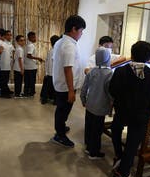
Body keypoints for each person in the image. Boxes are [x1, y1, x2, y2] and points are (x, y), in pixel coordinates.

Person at [109, 41, 150, 177]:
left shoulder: (120, 71)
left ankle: (119, 155)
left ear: (132, 54)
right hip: (140, 115)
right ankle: (122, 172)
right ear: (149, 57)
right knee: (133, 142)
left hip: (121, 111)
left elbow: (112, 90)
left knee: (115, 130)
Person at [50, 15, 86, 148]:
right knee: (63, 110)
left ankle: (60, 127)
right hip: (65, 86)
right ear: (73, 29)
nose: (81, 34)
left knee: (61, 109)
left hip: (61, 84)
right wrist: (71, 91)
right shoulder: (69, 45)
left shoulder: (60, 42)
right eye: (81, 31)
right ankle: (59, 135)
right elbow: (67, 69)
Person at [80, 47, 113, 159]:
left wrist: (83, 99)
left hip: (89, 105)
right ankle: (94, 152)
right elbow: (110, 93)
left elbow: (84, 87)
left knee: (89, 126)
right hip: (100, 107)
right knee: (97, 130)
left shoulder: (92, 71)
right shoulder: (109, 73)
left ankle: (88, 147)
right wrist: (111, 106)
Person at [40, 35, 60, 104]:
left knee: (48, 87)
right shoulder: (56, 51)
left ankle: (45, 99)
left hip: (50, 72)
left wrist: (46, 72)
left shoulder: (51, 51)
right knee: (55, 87)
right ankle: (54, 100)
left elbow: (47, 62)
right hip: (54, 73)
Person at [23, 31, 43, 97]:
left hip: (27, 66)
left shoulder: (26, 45)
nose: (35, 38)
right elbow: (29, 55)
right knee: (31, 81)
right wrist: (38, 58)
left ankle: (26, 92)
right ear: (29, 38)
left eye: (35, 37)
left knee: (27, 81)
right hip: (31, 66)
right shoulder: (31, 45)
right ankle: (31, 93)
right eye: (33, 37)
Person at [0, 30, 14, 98]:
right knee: (4, 79)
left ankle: (6, 90)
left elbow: (13, 50)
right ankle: (3, 93)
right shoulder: (2, 43)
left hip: (8, 63)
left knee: (6, 78)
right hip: (4, 64)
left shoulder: (9, 43)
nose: (10, 36)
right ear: (4, 36)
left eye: (10, 35)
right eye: (8, 35)